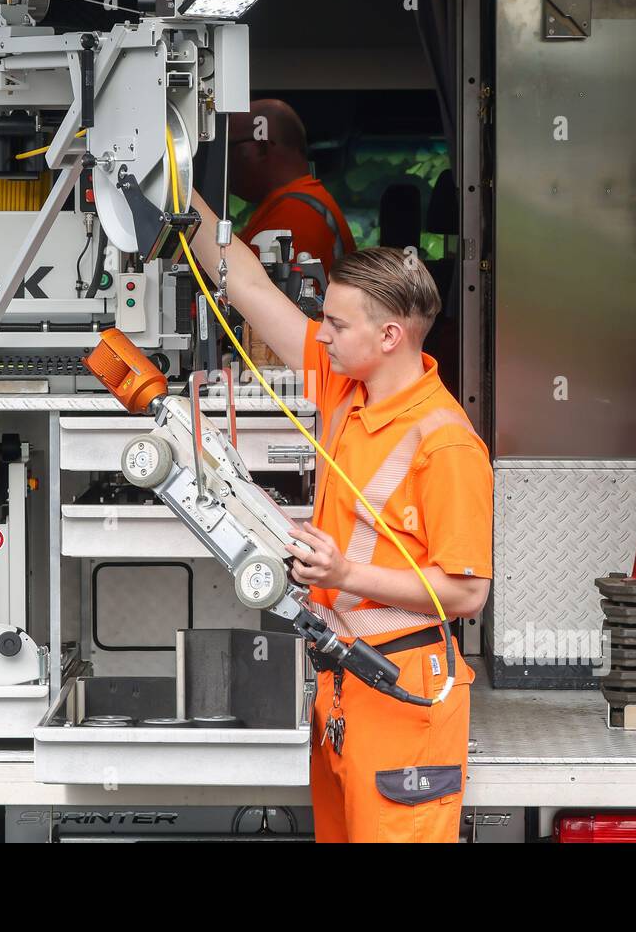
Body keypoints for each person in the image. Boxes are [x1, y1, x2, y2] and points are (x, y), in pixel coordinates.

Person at [187, 193, 494, 843]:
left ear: (390, 336)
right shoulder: (343, 386)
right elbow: (244, 282)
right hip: (346, 683)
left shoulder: (447, 444)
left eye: (335, 323)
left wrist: (347, 571)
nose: (319, 334)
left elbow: (468, 591)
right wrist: (173, 176)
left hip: (404, 696)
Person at [229, 99, 356, 272]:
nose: (225, 160)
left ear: (261, 148)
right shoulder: (295, 204)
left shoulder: (296, 211)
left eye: (230, 147)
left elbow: (253, 292)